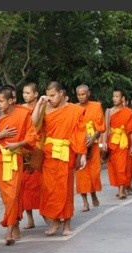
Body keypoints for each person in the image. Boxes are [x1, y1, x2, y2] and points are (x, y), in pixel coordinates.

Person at [32, 81, 88, 236]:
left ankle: (67, 225)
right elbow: (32, 123)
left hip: (66, 153)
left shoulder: (74, 110)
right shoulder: (45, 108)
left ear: (62, 93)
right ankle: (55, 221)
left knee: (66, 189)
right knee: (49, 189)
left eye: (53, 95)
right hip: (49, 155)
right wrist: (39, 104)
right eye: (48, 95)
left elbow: (80, 132)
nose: (50, 99)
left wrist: (82, 154)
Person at [0, 86, 37, 245]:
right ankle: (14, 223)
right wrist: (0, 135)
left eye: (2, 101)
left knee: (13, 196)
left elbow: (31, 138)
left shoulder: (23, 115)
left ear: (11, 101)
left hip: (15, 160)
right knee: (6, 197)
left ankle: (9, 231)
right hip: (0, 160)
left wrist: (18, 144)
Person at [73, 84, 106, 212]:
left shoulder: (96, 106)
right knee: (81, 173)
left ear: (88, 94)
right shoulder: (75, 108)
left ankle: (93, 194)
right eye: (79, 94)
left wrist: (92, 139)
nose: (81, 97)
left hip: (94, 142)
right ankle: (85, 202)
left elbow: (100, 125)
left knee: (94, 172)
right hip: (80, 144)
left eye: (83, 94)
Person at [103, 88, 132, 200]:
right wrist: (104, 142)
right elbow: (106, 128)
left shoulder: (128, 112)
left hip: (123, 141)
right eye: (114, 96)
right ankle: (119, 188)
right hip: (112, 141)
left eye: (117, 96)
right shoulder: (109, 111)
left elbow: (131, 130)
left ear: (122, 98)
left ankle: (122, 190)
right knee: (114, 167)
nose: (115, 99)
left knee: (122, 166)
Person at [16, 82, 42, 229]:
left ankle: (47, 214)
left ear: (36, 94)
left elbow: (39, 124)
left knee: (39, 185)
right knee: (26, 187)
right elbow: (31, 123)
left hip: (39, 148)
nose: (25, 95)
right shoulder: (21, 109)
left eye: (28, 93)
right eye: (24, 93)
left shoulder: (44, 107)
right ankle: (30, 219)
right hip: (25, 148)